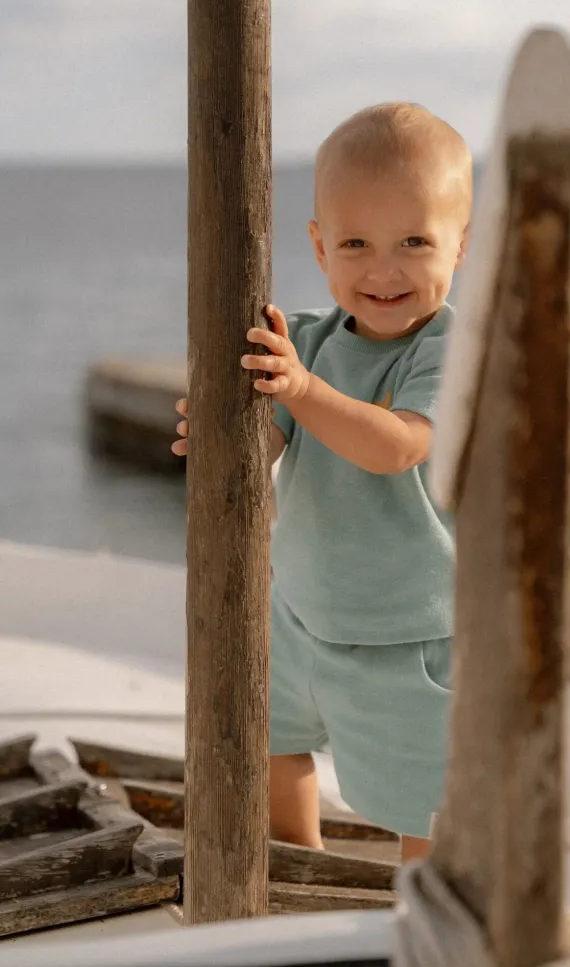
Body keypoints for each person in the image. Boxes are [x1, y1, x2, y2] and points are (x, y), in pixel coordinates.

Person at [172, 102, 472, 862]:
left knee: (423, 803)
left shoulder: (452, 351)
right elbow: (266, 443)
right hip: (300, 609)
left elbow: (398, 445)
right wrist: (218, 439)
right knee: (270, 742)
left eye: (414, 242)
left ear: (462, 244)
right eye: (355, 243)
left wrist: (303, 390)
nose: (383, 270)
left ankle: (423, 902)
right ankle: (299, 862)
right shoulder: (305, 339)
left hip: (406, 632)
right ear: (319, 247)